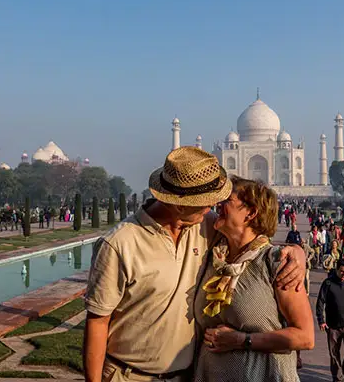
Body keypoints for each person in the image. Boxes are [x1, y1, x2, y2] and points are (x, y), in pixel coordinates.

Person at [83, 147, 307, 382]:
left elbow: (252, 241)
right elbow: (98, 321)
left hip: (186, 375)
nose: (213, 208)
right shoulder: (119, 244)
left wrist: (296, 252)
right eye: (206, 203)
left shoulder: (204, 226)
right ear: (180, 206)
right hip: (128, 375)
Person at [193, 176, 314, 381]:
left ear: (250, 212)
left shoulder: (277, 263)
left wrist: (242, 340)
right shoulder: (216, 260)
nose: (218, 205)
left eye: (227, 201)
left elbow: (305, 337)